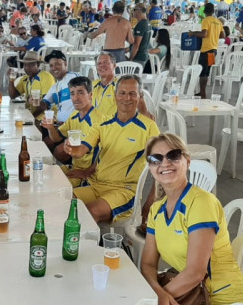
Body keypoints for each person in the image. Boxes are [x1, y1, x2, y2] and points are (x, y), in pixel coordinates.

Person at [70, 133, 243, 305]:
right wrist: (157, 292)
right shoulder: (158, 209)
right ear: (150, 166)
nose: (165, 163)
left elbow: (196, 272)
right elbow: (148, 263)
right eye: (156, 158)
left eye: (173, 156)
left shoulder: (201, 203)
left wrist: (158, 298)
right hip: (185, 295)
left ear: (187, 161)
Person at [64, 75, 160, 224]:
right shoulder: (103, 123)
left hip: (124, 190)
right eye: (122, 93)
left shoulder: (149, 127)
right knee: (62, 202)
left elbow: (160, 168)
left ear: (140, 96)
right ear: (115, 95)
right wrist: (71, 149)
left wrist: (149, 205)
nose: (126, 98)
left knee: (89, 212)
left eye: (132, 93)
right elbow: (81, 149)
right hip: (96, 185)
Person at [41, 77, 105, 187]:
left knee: (50, 186)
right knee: (40, 173)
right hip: (74, 168)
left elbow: (107, 154)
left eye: (80, 93)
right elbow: (56, 138)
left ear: (90, 95)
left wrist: (86, 172)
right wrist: (50, 127)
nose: (75, 98)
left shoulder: (99, 120)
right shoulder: (75, 115)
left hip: (88, 176)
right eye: (72, 93)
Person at [189, 3, 225, 99]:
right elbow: (223, 35)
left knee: (202, 72)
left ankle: (203, 93)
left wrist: (193, 33)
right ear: (213, 11)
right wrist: (214, 35)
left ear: (204, 11)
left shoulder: (205, 20)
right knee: (207, 71)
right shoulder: (218, 22)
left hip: (206, 50)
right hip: (214, 50)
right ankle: (202, 92)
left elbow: (204, 34)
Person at [9, 51, 55, 119]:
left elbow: (44, 106)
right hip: (31, 115)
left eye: (31, 65)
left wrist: (30, 118)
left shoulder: (46, 77)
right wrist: (11, 79)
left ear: (38, 65)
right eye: (25, 65)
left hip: (45, 118)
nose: (27, 68)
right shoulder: (25, 78)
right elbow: (13, 95)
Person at [39, 50, 81, 126]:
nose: (54, 68)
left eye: (57, 64)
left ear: (65, 64)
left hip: (74, 126)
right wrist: (36, 101)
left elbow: (85, 103)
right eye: (51, 65)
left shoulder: (73, 78)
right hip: (60, 126)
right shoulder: (55, 87)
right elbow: (44, 105)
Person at [92, 52, 119, 117]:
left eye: (106, 62)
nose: (102, 65)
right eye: (99, 63)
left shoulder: (120, 86)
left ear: (114, 65)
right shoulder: (93, 85)